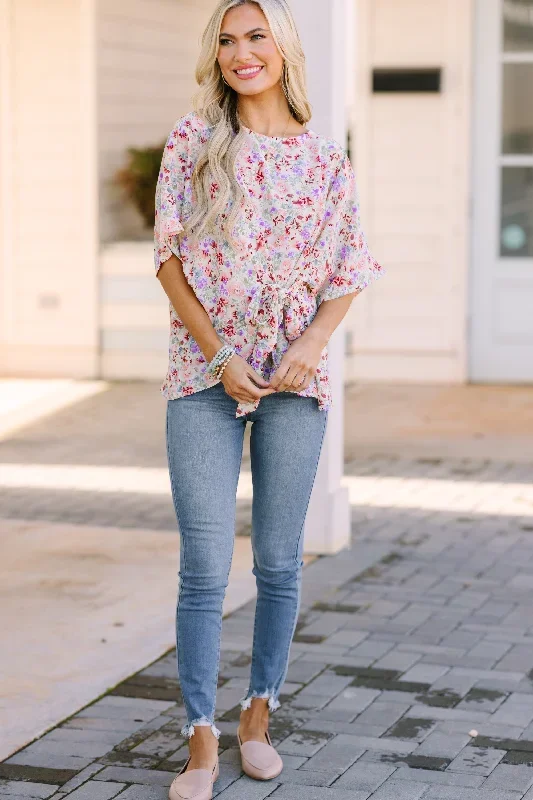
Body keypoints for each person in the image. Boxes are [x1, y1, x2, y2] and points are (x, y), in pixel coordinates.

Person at [154, 1, 383, 798]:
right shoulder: (194, 142)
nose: (239, 53)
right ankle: (199, 739)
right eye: (225, 40)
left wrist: (310, 346)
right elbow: (169, 262)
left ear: (282, 48)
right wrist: (218, 357)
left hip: (292, 383)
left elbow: (348, 270)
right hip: (202, 380)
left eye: (254, 37)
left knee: (280, 563)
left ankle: (257, 714)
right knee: (203, 568)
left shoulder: (326, 161)